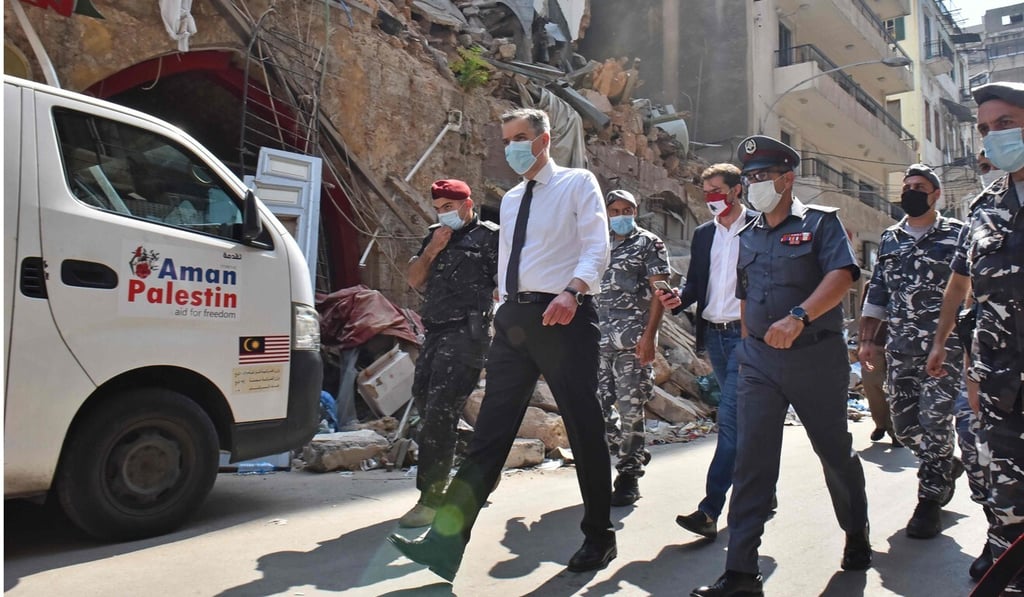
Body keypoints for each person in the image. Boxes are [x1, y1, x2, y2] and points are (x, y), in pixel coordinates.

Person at [388, 107, 615, 582]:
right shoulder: (510, 200)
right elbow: (511, 258)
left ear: (543, 139)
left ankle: (599, 535)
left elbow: (597, 245)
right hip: (514, 321)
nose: (511, 146)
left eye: (520, 137)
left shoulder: (577, 183)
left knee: (583, 427)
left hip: (564, 315)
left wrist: (573, 291)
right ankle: (446, 544)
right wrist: (503, 302)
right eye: (506, 138)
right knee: (489, 436)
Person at [691, 135, 870, 597]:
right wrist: (751, 347)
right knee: (752, 460)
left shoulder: (819, 224)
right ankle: (741, 574)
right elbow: (748, 296)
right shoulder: (747, 232)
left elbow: (842, 275)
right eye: (748, 178)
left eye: (762, 177)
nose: (753, 185)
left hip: (815, 357)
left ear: (787, 179)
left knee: (833, 451)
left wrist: (799, 316)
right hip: (759, 364)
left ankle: (856, 532)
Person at [927, 81, 1024, 594]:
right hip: (1001, 381)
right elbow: (965, 287)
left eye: (1005, 123)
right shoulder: (984, 207)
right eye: (985, 130)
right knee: (1006, 502)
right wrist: (953, 349)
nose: (992, 138)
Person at [857, 164, 965, 540]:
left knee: (934, 421)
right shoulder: (890, 237)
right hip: (901, 348)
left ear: (935, 195)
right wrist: (868, 338)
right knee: (903, 427)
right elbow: (878, 291)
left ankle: (929, 501)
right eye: (906, 187)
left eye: (919, 187)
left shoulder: (958, 236)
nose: (911, 192)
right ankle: (943, 464)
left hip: (944, 349)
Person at [657, 163, 758, 540]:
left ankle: (709, 510)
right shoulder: (703, 235)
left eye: (717, 190)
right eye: (706, 191)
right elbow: (696, 285)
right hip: (713, 337)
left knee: (730, 422)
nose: (711, 198)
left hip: (746, 338)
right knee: (742, 421)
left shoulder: (759, 229)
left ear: (737, 190)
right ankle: (764, 488)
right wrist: (676, 299)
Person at [399, 179, 499, 528]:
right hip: (435, 332)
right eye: (438, 207)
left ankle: (430, 499)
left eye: (449, 207)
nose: (443, 213)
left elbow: (506, 283)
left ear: (467, 204)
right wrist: (431, 252)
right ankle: (480, 465)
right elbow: (413, 279)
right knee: (426, 404)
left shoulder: (489, 237)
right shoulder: (435, 235)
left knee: (441, 410)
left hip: (467, 334)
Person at [596, 189, 670, 507]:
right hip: (597, 340)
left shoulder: (648, 243)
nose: (621, 215)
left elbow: (660, 291)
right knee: (594, 408)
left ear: (636, 211)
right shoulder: (597, 244)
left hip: (632, 341)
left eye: (627, 209)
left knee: (630, 409)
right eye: (614, 210)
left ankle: (628, 476)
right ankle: (633, 449)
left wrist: (650, 336)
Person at [857, 289, 897, 446]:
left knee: (897, 388)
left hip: (903, 344)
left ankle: (896, 430)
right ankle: (881, 424)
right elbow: (865, 316)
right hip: (875, 344)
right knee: (872, 384)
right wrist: (862, 343)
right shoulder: (872, 285)